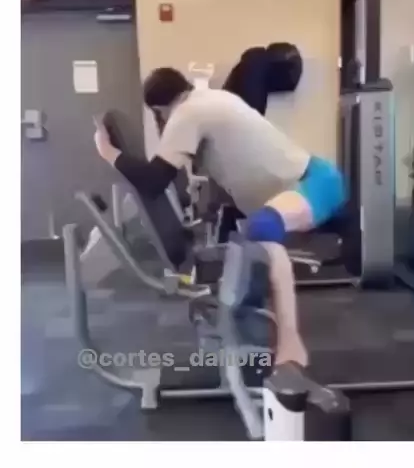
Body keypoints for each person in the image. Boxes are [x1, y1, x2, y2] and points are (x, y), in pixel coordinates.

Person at [94, 67, 346, 368]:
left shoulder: (187, 114)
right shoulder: (211, 99)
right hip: (315, 177)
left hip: (314, 183)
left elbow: (153, 181)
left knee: (263, 228)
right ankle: (245, 330)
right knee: (246, 236)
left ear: (160, 109)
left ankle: (291, 346)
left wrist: (108, 153)